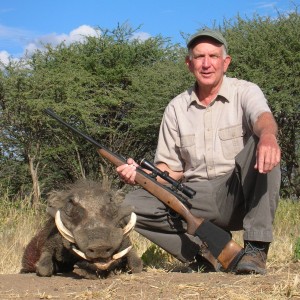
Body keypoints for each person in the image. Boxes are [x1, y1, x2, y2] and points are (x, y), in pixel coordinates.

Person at [116, 28, 281, 275]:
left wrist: (268, 136)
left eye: (213, 56)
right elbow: (169, 171)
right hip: (194, 195)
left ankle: (255, 250)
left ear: (226, 62)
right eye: (199, 57)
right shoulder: (175, 108)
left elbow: (262, 117)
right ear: (188, 63)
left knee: (263, 143)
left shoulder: (245, 90)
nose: (206, 64)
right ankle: (205, 252)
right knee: (130, 204)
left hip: (235, 193)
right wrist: (139, 174)